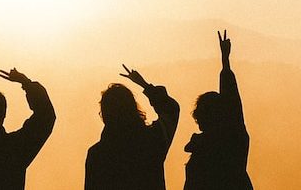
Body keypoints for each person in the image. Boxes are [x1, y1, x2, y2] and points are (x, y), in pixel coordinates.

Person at [84, 65, 180, 190]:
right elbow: (171, 110)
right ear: (133, 108)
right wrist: (145, 85)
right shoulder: (152, 140)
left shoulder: (97, 154)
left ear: (105, 114)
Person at [183, 30, 252, 190]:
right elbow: (233, 103)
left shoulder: (202, 148)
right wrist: (225, 62)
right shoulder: (235, 140)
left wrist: (225, 61)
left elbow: (232, 103)